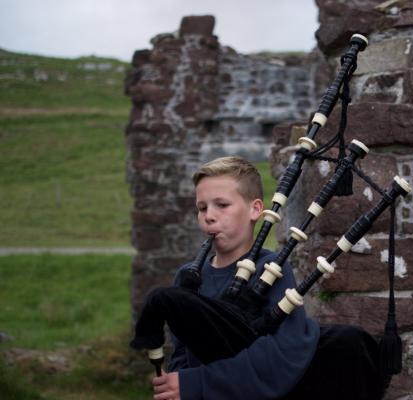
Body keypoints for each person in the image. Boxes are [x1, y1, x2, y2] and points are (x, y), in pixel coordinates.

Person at [149, 156, 386, 400]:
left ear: (255, 210)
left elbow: (279, 352)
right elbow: (182, 350)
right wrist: (176, 385)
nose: (209, 216)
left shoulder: (272, 270)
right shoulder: (188, 276)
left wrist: (197, 384)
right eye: (202, 208)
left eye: (222, 205)